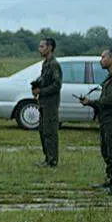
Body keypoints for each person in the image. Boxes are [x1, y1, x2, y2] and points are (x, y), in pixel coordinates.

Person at [79, 48, 112, 194]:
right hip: (107, 120)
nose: (101, 60)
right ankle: (111, 180)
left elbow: (110, 100)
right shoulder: (110, 78)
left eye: (103, 57)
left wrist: (91, 102)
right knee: (107, 151)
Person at [31, 37, 62, 168]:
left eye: (42, 46)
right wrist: (36, 86)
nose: (40, 49)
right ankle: (47, 158)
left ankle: (52, 161)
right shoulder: (45, 64)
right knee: (43, 131)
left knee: (50, 132)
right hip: (43, 103)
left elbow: (57, 85)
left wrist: (41, 91)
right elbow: (44, 80)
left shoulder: (54, 64)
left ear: (50, 48)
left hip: (50, 104)